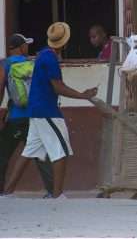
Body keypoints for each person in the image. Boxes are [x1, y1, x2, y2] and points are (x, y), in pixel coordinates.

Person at [3, 22, 98, 198]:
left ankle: (7, 192)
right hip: (47, 111)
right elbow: (58, 87)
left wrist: (82, 94)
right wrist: (83, 96)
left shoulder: (43, 55)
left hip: (36, 111)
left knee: (28, 152)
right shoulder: (50, 58)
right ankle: (57, 195)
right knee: (60, 150)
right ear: (65, 42)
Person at [0, 34, 54, 197]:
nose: (27, 48)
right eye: (26, 45)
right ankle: (52, 191)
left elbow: (0, 89)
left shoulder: (5, 64)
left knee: (2, 154)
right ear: (20, 47)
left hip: (15, 117)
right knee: (41, 153)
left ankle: (3, 191)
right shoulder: (31, 64)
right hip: (33, 116)